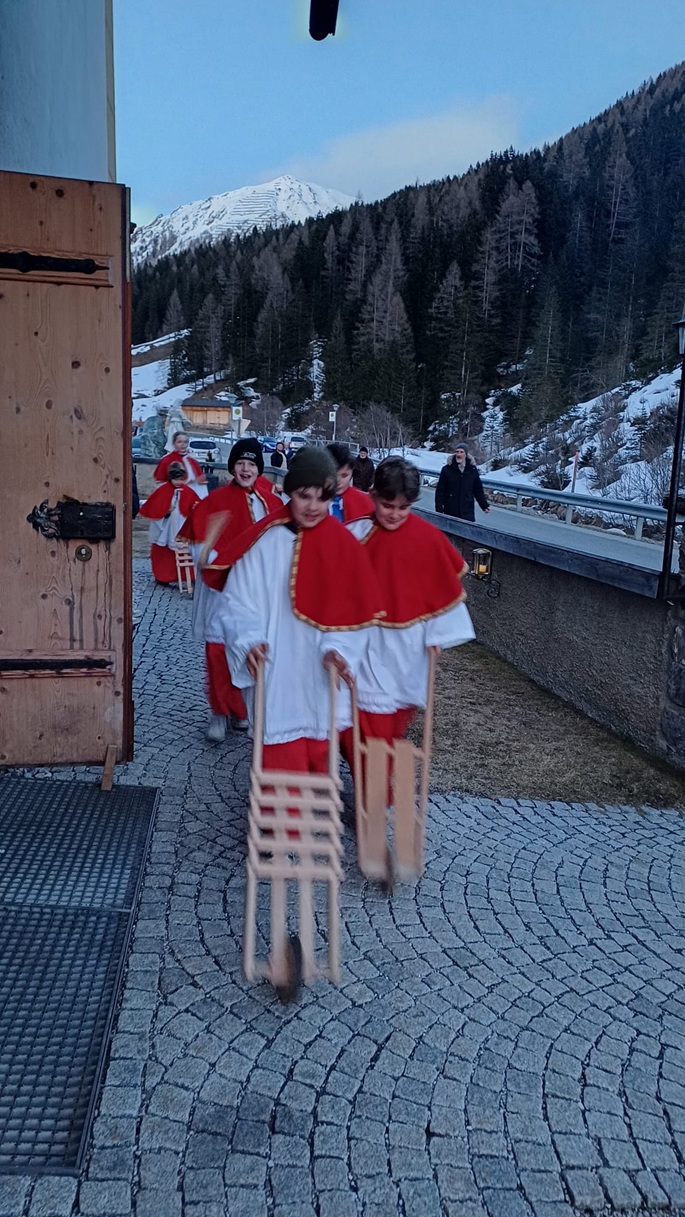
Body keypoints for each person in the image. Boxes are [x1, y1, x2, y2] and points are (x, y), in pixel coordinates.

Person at [205, 448, 382, 774]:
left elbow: (354, 613)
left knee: (318, 755)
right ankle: (277, 805)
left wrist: (340, 650)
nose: (313, 506)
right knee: (280, 760)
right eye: (304, 496)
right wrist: (248, 640)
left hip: (321, 673)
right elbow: (238, 601)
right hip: (277, 666)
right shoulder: (265, 542)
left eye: (322, 498)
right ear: (290, 492)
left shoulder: (343, 547)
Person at [345, 456, 475, 761]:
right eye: (388, 506)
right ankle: (376, 788)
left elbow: (442, 593)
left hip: (410, 647)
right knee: (370, 725)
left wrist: (438, 636)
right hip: (367, 643)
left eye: (403, 508)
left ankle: (384, 781)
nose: (394, 514)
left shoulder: (428, 538)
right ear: (373, 496)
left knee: (396, 725)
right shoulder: (355, 535)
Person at [180, 439, 281, 741]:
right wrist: (212, 559)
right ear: (232, 467)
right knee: (218, 652)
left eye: (251, 464)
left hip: (255, 593)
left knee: (250, 649)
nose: (245, 469)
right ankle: (220, 712)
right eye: (240, 463)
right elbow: (199, 543)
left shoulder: (270, 503)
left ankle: (241, 710)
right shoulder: (215, 500)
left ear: (259, 469)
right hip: (220, 590)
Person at [139, 461, 200, 584]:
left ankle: (186, 575)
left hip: (181, 526)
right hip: (166, 527)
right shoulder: (163, 490)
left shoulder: (188, 491)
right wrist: (165, 511)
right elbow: (154, 507)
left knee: (184, 551)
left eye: (181, 479)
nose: (179, 482)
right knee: (163, 550)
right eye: (176, 479)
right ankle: (163, 576)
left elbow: (196, 505)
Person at [435, 443, 490, 521]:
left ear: (466, 454)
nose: (459, 454)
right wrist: (439, 508)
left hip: (467, 509)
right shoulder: (447, 470)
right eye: (457, 452)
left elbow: (478, 490)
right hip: (450, 509)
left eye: (461, 452)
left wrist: (484, 505)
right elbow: (440, 490)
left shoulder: (472, 470)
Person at [326, 442, 373, 522]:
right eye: (332, 475)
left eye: (344, 475)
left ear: (351, 472)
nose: (338, 481)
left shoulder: (364, 502)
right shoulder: (308, 499)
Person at [154, 431, 208, 499]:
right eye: (179, 442)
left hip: (191, 496)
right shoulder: (166, 460)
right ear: (174, 443)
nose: (183, 445)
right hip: (173, 496)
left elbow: (201, 485)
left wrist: (197, 480)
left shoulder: (192, 461)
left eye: (185, 442)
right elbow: (161, 483)